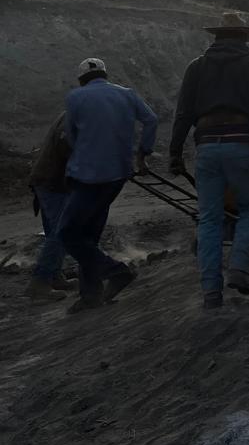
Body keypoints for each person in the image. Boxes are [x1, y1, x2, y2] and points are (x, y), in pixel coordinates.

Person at [29, 58, 156, 312]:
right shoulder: (126, 94)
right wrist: (142, 155)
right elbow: (151, 120)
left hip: (88, 177)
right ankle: (91, 295)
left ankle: (116, 271)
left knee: (67, 233)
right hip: (118, 175)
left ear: (81, 80)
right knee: (89, 234)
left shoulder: (76, 99)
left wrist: (85, 154)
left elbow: (72, 138)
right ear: (105, 75)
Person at [170, 10, 249, 309]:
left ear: (216, 36)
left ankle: (211, 293)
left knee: (209, 219)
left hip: (207, 149)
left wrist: (175, 152)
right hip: (241, 145)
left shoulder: (196, 67)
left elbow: (184, 113)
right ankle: (239, 268)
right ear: (243, 37)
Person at [26, 112, 76, 300]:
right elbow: (67, 145)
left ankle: (54, 275)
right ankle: (39, 282)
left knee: (55, 230)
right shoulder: (74, 116)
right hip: (52, 182)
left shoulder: (74, 111)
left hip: (51, 180)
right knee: (61, 231)